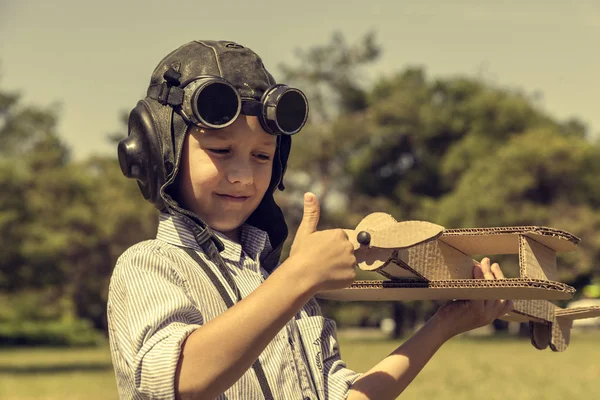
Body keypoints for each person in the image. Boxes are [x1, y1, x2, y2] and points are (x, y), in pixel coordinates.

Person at [107, 40, 513, 400]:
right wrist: (299, 278)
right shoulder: (149, 265)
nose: (244, 176)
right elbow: (180, 382)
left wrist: (444, 324)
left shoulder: (280, 285)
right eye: (220, 150)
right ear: (159, 151)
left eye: (262, 156)